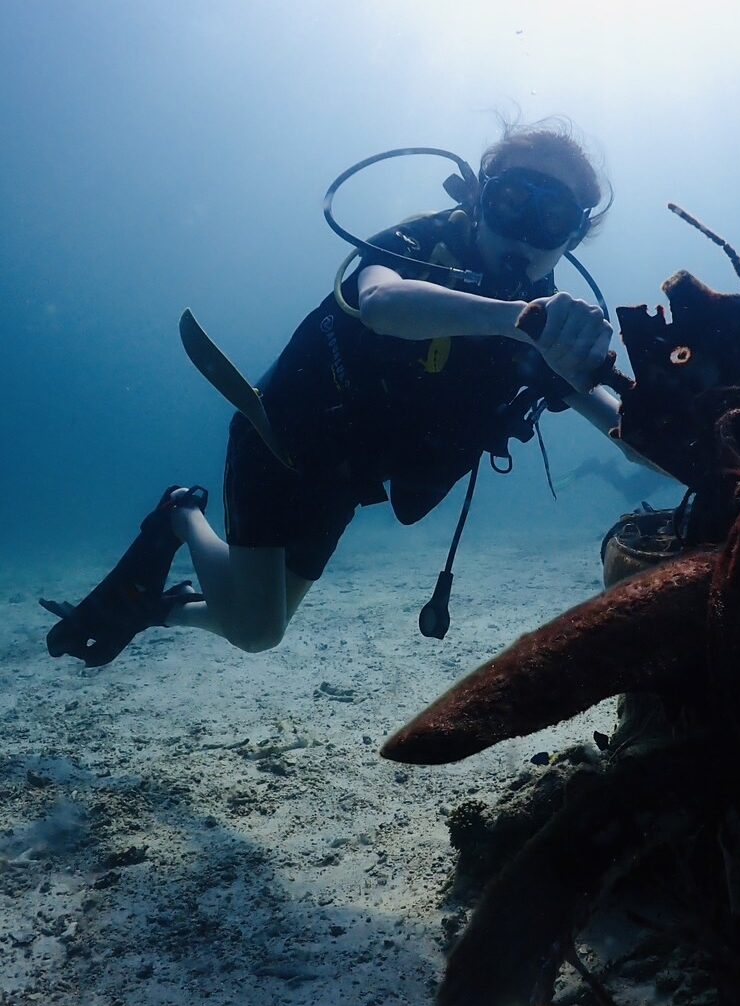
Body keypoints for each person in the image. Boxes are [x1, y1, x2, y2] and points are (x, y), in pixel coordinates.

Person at [41, 120, 625, 665]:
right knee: (256, 632)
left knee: (257, 630)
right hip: (280, 438)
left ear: (571, 236)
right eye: (514, 200)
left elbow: (622, 425)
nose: (524, 232)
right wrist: (519, 318)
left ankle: (159, 606)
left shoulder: (552, 336)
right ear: (478, 199)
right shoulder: (413, 247)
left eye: (551, 216)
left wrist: (696, 438)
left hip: (345, 479)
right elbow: (380, 304)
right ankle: (181, 514)